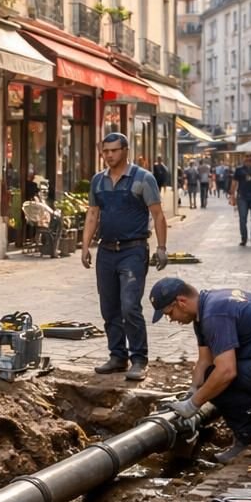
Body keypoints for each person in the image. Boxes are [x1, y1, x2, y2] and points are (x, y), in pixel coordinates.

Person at [150, 277, 251, 465]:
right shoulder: (204, 310)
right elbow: (205, 361)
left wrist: (193, 404)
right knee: (209, 379)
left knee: (218, 380)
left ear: (181, 302)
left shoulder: (214, 315)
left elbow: (226, 372)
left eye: (169, 313)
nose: (171, 320)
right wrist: (192, 391)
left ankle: (250, 435)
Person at [81, 132, 169, 383]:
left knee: (130, 306)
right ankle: (117, 356)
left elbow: (158, 214)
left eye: (114, 150)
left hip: (133, 250)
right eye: (105, 151)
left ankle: (139, 359)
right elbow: (92, 214)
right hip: (106, 251)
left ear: (125, 151)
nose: (109, 155)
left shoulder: (143, 178)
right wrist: (85, 246)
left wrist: (162, 248)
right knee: (109, 308)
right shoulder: (98, 181)